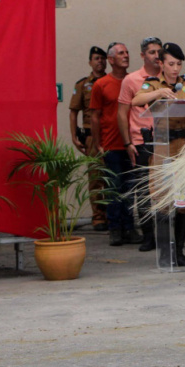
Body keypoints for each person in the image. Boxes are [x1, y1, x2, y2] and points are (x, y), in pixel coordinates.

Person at [131, 43, 185, 267]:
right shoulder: (153, 84)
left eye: (179, 64)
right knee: (162, 200)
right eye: (171, 64)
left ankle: (179, 251)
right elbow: (136, 101)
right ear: (161, 64)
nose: (175, 68)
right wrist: (158, 93)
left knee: (184, 200)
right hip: (162, 145)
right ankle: (164, 251)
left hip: (184, 144)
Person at [89, 42, 138, 246]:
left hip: (132, 143)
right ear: (111, 60)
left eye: (127, 52)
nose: (125, 56)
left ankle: (130, 227)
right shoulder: (101, 84)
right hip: (111, 145)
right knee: (113, 188)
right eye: (120, 53)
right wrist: (98, 144)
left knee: (130, 188)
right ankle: (115, 228)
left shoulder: (133, 81)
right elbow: (95, 116)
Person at [117, 36, 163, 251]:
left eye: (159, 52)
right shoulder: (132, 80)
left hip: (166, 140)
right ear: (143, 55)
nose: (156, 56)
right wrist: (128, 143)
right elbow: (122, 113)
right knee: (144, 190)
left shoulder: (168, 78)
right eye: (152, 52)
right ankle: (148, 236)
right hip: (141, 141)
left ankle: (164, 233)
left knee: (163, 188)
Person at [69, 46, 108, 231]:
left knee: (112, 176)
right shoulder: (83, 84)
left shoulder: (112, 81)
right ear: (90, 62)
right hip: (92, 137)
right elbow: (73, 111)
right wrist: (74, 136)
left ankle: (112, 215)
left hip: (111, 134)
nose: (100, 61)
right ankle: (98, 216)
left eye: (102, 58)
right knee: (96, 177)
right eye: (96, 58)